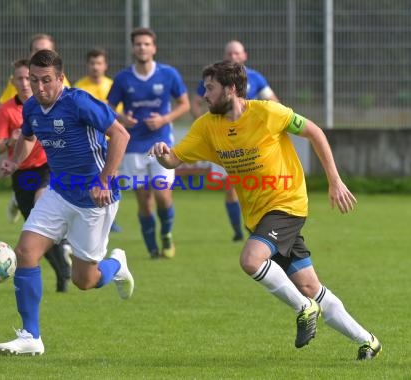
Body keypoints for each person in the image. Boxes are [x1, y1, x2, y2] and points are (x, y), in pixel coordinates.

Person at [148, 60, 381, 360]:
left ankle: (303, 309)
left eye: (210, 88)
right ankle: (368, 341)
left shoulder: (268, 112)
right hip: (258, 216)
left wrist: (334, 180)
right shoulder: (207, 127)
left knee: (251, 259)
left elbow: (315, 132)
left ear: (231, 89)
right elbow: (174, 160)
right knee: (310, 286)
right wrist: (161, 155)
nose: (204, 95)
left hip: (287, 204)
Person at [0, 49, 133, 355]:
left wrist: (104, 180)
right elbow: (28, 137)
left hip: (94, 200)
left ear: (60, 78)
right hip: (58, 192)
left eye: (46, 81)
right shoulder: (31, 107)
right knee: (25, 252)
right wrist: (16, 162)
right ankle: (31, 336)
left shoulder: (78, 102)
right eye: (34, 80)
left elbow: (120, 134)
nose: (39, 88)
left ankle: (117, 264)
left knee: (86, 281)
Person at [0, 59, 72, 293]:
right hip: (22, 173)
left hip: (48, 168)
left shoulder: (49, 104)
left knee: (42, 204)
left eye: (29, 78)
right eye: (20, 79)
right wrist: (9, 141)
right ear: (12, 82)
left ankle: (66, 246)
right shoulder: (6, 111)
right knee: (36, 229)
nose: (25, 83)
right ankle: (62, 271)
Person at [107, 27, 190, 259]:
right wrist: (122, 119)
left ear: (154, 48)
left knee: (163, 196)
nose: (142, 47)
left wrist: (164, 119)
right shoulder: (123, 78)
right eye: (138, 44)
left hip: (162, 143)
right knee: (144, 202)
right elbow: (108, 109)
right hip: (133, 147)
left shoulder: (168, 74)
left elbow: (184, 104)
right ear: (133, 48)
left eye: (146, 44)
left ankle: (166, 234)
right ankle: (152, 249)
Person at [191, 40, 279, 242]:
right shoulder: (213, 80)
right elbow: (195, 102)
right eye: (229, 53)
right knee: (232, 188)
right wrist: (205, 124)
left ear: (244, 55)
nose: (233, 57)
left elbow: (273, 101)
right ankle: (239, 232)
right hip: (226, 140)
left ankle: (257, 228)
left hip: (252, 142)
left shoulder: (255, 78)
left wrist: (263, 118)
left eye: (237, 53)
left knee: (257, 188)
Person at [0, 33, 71, 224]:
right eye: (37, 50)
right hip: (27, 159)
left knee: (49, 206)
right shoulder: (23, 90)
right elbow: (8, 106)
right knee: (39, 213)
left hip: (52, 156)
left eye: (46, 50)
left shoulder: (66, 87)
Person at [74, 47, 123, 233]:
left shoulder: (112, 85)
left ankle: (111, 217)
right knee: (90, 175)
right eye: (92, 63)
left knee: (113, 173)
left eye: (99, 63)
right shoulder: (79, 87)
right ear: (88, 65)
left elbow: (118, 114)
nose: (96, 67)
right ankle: (89, 209)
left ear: (105, 65)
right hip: (88, 140)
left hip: (111, 138)